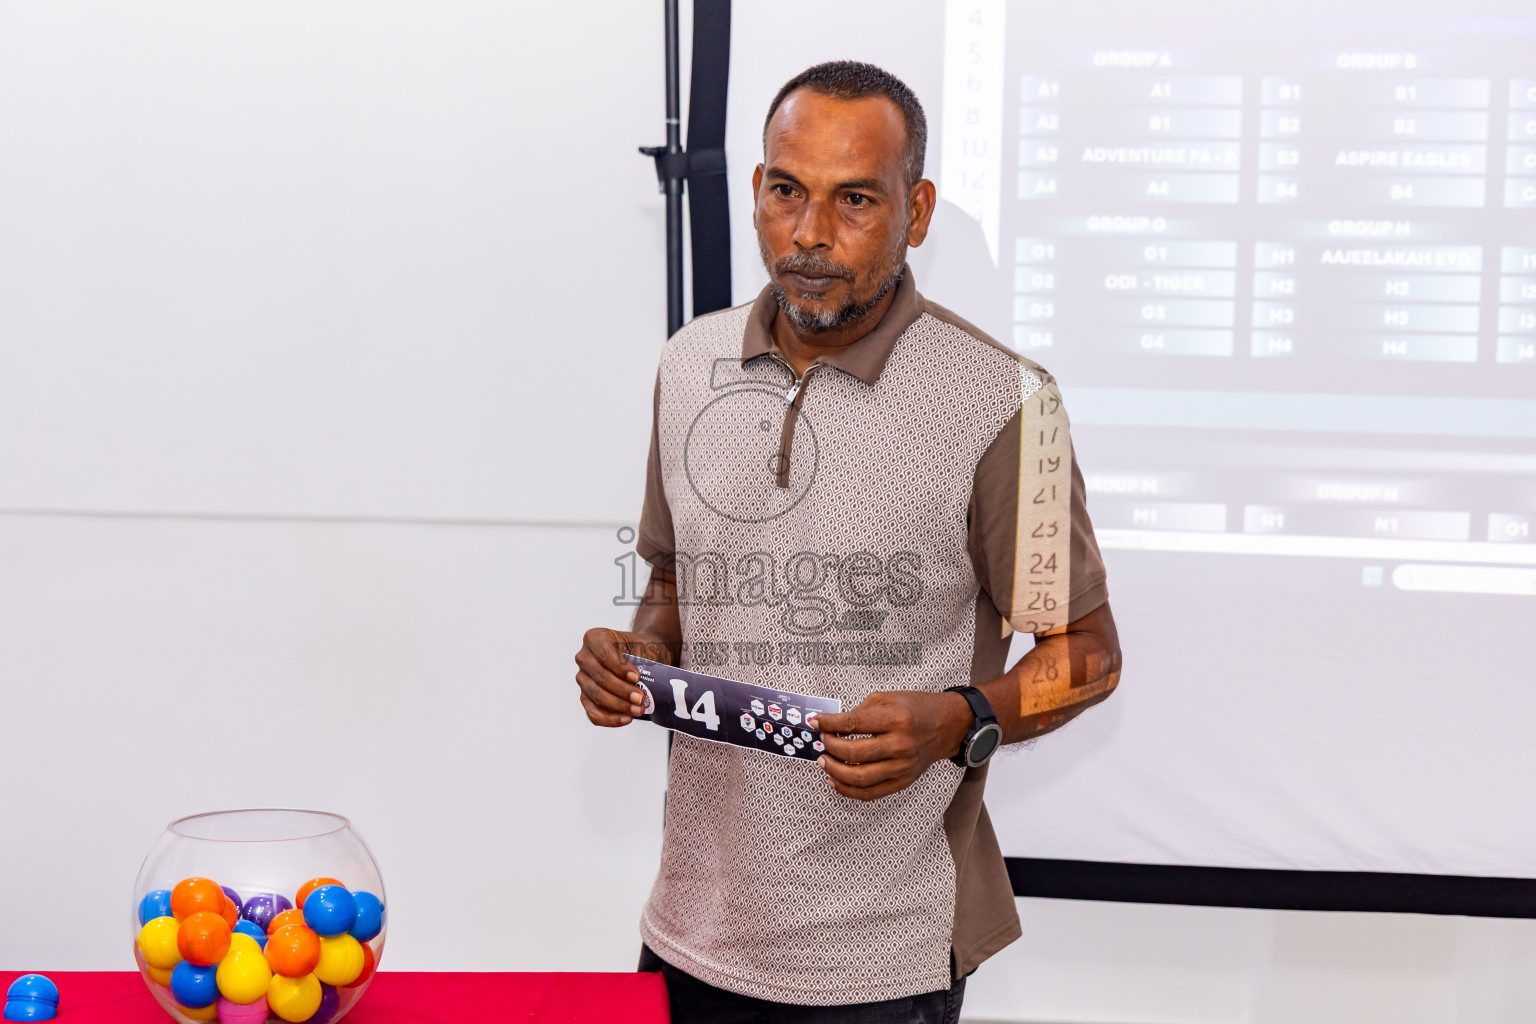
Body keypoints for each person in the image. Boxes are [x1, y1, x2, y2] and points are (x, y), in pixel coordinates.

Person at [574, 60, 1122, 1024]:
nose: (812, 235)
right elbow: (672, 573)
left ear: (916, 213)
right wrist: (645, 652)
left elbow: (1089, 653)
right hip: (686, 936)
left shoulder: (1009, 403)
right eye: (788, 191)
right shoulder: (688, 363)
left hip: (881, 965)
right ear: (756, 193)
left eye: (855, 200)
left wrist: (958, 717)